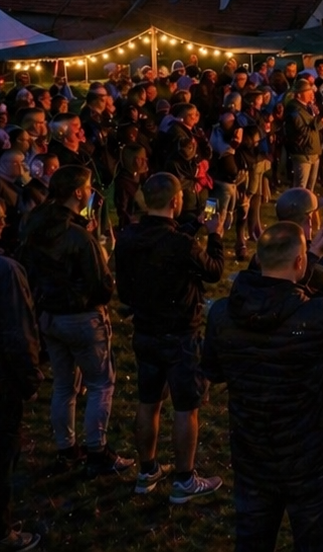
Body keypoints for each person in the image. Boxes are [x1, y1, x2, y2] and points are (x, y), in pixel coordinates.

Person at [202, 220, 323, 551]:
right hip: (312, 460)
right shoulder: (318, 316)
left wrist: (310, 252)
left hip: (253, 452)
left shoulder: (223, 314)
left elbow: (213, 370)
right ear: (298, 263)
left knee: (253, 541)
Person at [113, 172, 227, 501]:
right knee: (185, 408)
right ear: (176, 201)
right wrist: (216, 235)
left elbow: (128, 284)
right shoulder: (180, 244)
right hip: (180, 336)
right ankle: (184, 479)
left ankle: (146, 471)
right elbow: (214, 270)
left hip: (145, 330)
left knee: (148, 402)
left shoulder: (129, 237)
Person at [16, 165, 131, 477]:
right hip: (82, 318)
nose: (92, 191)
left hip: (50, 317)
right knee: (99, 383)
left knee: (65, 385)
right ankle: (97, 450)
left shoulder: (35, 226)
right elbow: (102, 285)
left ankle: (67, 448)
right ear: (78, 192)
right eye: (89, 186)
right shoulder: (78, 238)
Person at [0, 199, 42, 551]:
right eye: (0, 220)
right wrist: (30, 378)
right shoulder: (4, 272)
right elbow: (17, 332)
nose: (3, 225)